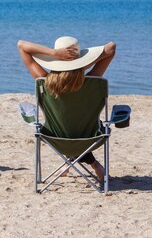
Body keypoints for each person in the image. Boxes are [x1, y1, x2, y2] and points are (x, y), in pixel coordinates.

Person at [17, 36, 116, 182]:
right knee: (78, 126)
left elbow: (21, 45)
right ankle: (94, 164)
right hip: (91, 139)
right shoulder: (92, 82)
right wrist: (81, 64)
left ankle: (76, 163)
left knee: (66, 125)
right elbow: (111, 47)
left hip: (55, 139)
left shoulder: (43, 82)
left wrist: (54, 54)